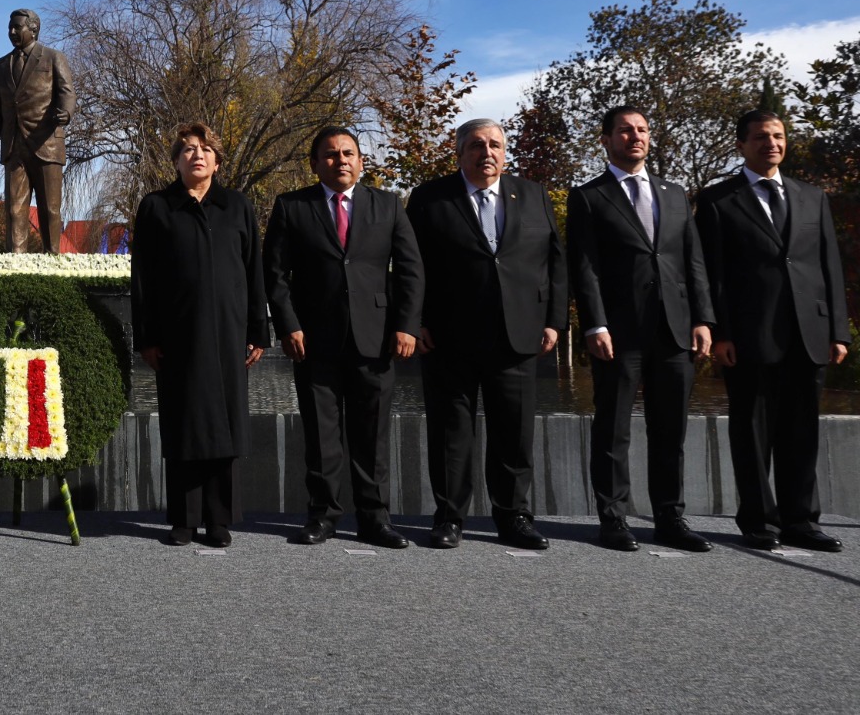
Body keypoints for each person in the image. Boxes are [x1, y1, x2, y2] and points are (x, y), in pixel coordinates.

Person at [406, 118, 567, 550]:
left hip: (518, 335)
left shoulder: (532, 195)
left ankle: (513, 516)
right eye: (476, 145)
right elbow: (410, 265)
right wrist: (413, 320)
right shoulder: (428, 198)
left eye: (495, 144)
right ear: (458, 153)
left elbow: (554, 264)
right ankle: (449, 517)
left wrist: (554, 320)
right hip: (447, 336)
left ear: (505, 151)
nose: (487, 152)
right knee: (450, 433)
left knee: (513, 434)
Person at [695, 110, 849, 552]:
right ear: (741, 144)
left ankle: (802, 520)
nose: (772, 144)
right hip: (747, 335)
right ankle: (759, 521)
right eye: (761, 137)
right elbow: (712, 273)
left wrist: (838, 330)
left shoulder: (811, 196)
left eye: (779, 137)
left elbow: (828, 266)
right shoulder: (717, 200)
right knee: (752, 431)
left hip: (809, 332)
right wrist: (719, 331)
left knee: (802, 431)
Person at [264, 126, 423, 549]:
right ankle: (324, 515)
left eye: (349, 153)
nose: (341, 161)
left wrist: (407, 325)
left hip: (376, 339)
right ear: (315, 163)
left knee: (371, 435)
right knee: (321, 433)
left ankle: (375, 518)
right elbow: (275, 275)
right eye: (330, 155)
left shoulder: (387, 205)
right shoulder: (291, 207)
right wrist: (288, 324)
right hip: (314, 340)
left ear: (361, 161)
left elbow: (410, 270)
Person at [567, 107, 715, 552]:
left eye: (642, 130)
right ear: (606, 140)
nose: (635, 137)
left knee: (670, 430)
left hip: (674, 329)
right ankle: (613, 519)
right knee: (613, 429)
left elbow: (693, 262)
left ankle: (670, 518)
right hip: (618, 332)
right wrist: (594, 323)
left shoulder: (674, 193)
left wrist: (703, 318)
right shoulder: (589, 196)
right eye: (625, 131)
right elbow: (585, 267)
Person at [130, 123, 268, 547]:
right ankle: (184, 520)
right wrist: (147, 338)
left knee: (224, 426)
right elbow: (143, 278)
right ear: (176, 160)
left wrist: (257, 331)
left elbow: (253, 272)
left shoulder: (237, 206)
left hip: (229, 336)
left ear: (218, 161)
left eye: (206, 149)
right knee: (184, 424)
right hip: (178, 336)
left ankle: (219, 520)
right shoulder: (157, 207)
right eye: (188, 149)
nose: (197, 155)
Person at [0, 8, 76, 253]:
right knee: (14, 211)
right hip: (14, 146)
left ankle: (53, 263)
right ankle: (17, 268)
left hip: (47, 142)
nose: (11, 32)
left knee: (50, 209)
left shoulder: (53, 57)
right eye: (9, 28)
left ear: (33, 30)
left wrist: (66, 113)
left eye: (16, 27)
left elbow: (67, 92)